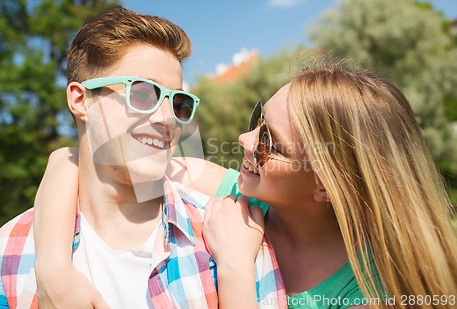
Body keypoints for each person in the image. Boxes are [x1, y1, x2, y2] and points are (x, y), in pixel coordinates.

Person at [33, 64, 457, 309]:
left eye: (269, 141)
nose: (244, 139)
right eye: (258, 118)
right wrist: (53, 268)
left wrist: (235, 268)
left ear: (329, 186)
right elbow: (81, 159)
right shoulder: (233, 193)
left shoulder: (377, 289)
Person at [0, 6, 223, 309]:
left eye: (179, 103)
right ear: (80, 101)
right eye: (143, 93)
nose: (168, 119)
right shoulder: (10, 251)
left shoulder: (225, 237)